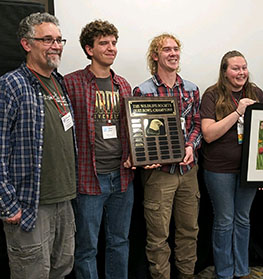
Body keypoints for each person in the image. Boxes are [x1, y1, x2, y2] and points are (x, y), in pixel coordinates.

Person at [0, 12, 77, 278]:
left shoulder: (60, 83)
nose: (56, 46)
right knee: (32, 273)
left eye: (59, 40)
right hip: (31, 205)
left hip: (64, 201)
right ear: (26, 43)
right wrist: (8, 203)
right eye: (47, 39)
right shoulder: (12, 84)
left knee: (61, 269)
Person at [64, 20, 134, 279]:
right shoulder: (71, 83)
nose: (111, 48)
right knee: (87, 247)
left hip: (123, 179)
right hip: (88, 179)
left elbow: (130, 130)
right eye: (104, 43)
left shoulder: (123, 85)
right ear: (89, 49)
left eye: (114, 43)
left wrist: (134, 155)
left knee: (119, 242)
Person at [132, 33, 201, 279]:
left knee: (189, 231)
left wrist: (191, 147)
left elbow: (196, 125)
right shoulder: (143, 90)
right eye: (166, 50)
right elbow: (136, 132)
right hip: (158, 174)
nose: (173, 54)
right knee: (158, 236)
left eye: (175, 49)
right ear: (155, 56)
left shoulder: (191, 89)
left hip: (187, 171)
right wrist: (143, 154)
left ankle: (186, 275)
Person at [200, 50, 263, 279]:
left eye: (244, 67)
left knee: (243, 218)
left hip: (249, 169)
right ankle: (225, 272)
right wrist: (237, 112)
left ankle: (242, 269)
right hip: (219, 169)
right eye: (235, 68)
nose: (241, 72)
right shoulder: (211, 95)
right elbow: (208, 134)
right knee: (225, 220)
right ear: (225, 72)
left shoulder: (256, 93)